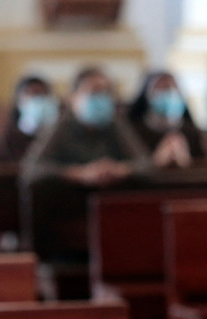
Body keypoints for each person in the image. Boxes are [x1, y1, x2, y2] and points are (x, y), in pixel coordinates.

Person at [20, 66, 151, 263]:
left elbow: (147, 164)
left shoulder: (116, 124)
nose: (100, 98)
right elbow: (31, 170)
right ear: (74, 97)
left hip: (114, 213)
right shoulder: (61, 125)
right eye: (93, 92)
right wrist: (80, 174)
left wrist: (120, 170)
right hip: (69, 212)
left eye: (105, 92)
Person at [128, 71, 207, 168]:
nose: (168, 93)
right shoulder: (132, 130)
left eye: (172, 88)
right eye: (161, 89)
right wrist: (157, 161)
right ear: (147, 94)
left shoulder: (192, 131)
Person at [0, 75, 60, 160]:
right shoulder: (11, 137)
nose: (37, 100)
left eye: (42, 94)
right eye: (32, 94)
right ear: (18, 101)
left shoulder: (60, 135)